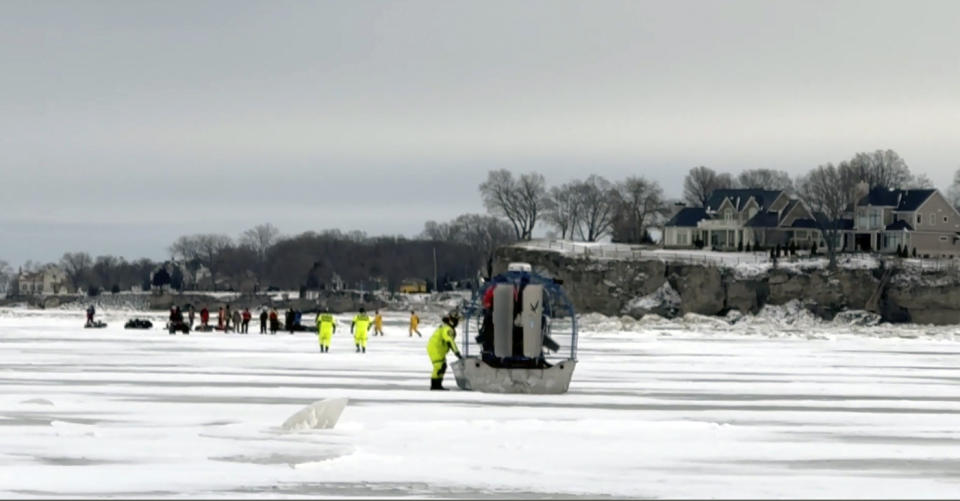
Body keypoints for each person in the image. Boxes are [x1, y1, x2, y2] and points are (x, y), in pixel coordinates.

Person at [426, 314, 462, 390]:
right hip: (436, 349)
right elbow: (450, 341)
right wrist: (456, 352)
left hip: (438, 349)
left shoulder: (446, 327)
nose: (457, 323)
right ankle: (435, 386)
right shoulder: (447, 329)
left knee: (443, 366)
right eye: (456, 321)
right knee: (439, 366)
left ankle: (437, 385)